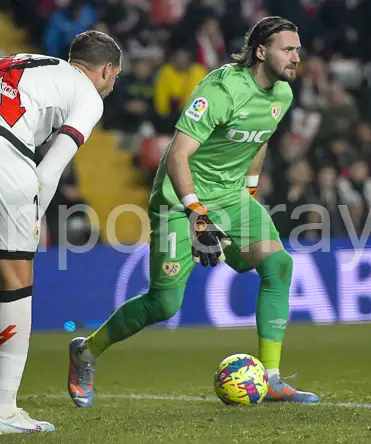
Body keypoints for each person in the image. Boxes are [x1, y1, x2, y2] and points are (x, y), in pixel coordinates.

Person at [67, 16, 320, 408]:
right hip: (179, 199)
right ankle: (85, 352)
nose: (296, 57)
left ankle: (269, 379)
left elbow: (258, 141)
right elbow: (178, 156)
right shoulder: (221, 90)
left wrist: (249, 191)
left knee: (278, 266)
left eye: (298, 50)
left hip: (233, 198)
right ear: (261, 51)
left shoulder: (282, 95)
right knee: (164, 304)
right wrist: (196, 213)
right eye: (289, 49)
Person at [0, 30, 121, 435]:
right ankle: (4, 410)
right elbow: (50, 169)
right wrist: (32, 218)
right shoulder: (87, 95)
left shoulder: (24, 60)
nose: (111, 87)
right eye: (114, 78)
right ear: (106, 69)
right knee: (17, 279)